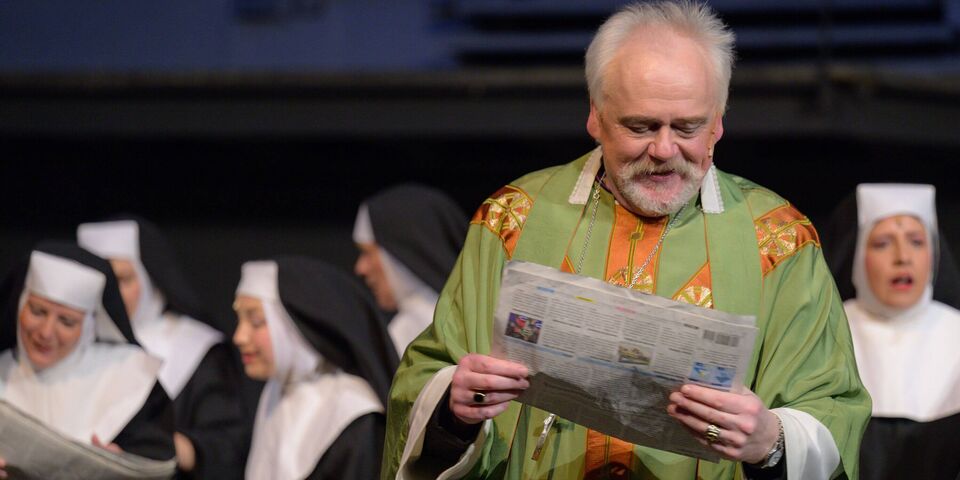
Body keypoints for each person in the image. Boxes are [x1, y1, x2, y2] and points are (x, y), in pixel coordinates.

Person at [380, 2, 871, 479]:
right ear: (596, 117)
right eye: (640, 126)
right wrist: (455, 407)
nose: (664, 149)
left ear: (718, 122)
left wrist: (771, 440)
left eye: (688, 127)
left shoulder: (779, 240)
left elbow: (831, 406)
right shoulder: (513, 220)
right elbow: (426, 376)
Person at [78, 217, 248, 479]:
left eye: (123, 279)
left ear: (148, 279)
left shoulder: (195, 348)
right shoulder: (69, 345)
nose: (110, 292)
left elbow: (227, 447)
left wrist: (147, 451)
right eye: (100, 280)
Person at [0, 242, 174, 478]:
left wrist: (123, 463)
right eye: (38, 311)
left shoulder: (130, 379)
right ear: (19, 305)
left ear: (89, 327)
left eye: (67, 321)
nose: (46, 332)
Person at [831, 184, 960, 480]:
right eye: (882, 243)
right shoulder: (826, 334)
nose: (903, 257)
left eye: (916, 241)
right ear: (858, 255)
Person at [233, 256, 399, 479]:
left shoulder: (355, 416)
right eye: (239, 319)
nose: (239, 337)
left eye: (256, 322)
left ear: (293, 327)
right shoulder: (277, 391)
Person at [353, 184, 467, 356]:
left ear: (399, 254)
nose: (360, 268)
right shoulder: (478, 322)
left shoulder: (414, 331)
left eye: (368, 253)